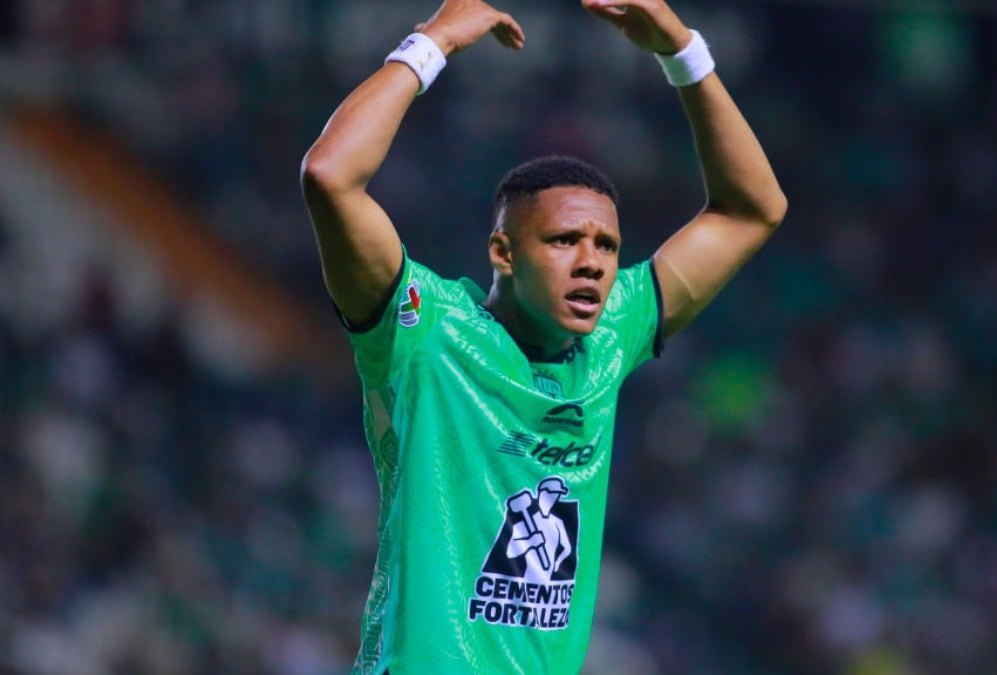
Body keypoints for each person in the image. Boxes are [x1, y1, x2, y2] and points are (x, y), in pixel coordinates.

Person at [300, 0, 786, 672]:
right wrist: (431, 42)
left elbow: (752, 208)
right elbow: (331, 177)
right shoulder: (425, 332)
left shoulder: (615, 332)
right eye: (564, 240)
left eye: (607, 246)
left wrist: (683, 50)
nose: (591, 260)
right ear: (502, 252)